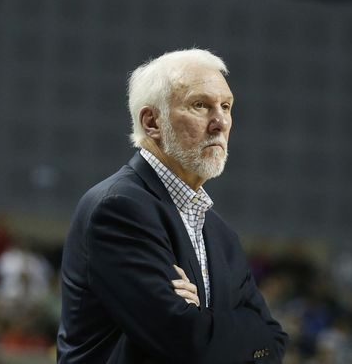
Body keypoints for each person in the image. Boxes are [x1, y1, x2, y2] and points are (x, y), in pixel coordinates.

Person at [57, 48, 287, 363]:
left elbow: (274, 342)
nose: (220, 122)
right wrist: (226, 326)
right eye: (200, 105)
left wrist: (202, 317)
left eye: (226, 106)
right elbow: (186, 343)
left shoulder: (222, 235)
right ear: (152, 122)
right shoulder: (118, 208)